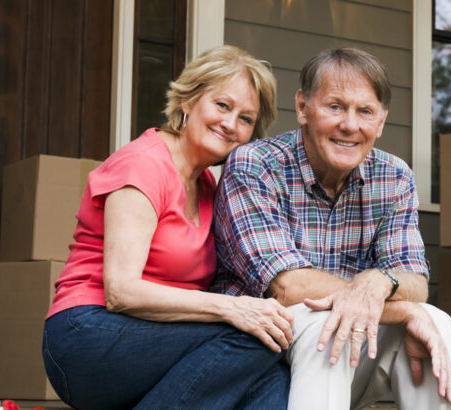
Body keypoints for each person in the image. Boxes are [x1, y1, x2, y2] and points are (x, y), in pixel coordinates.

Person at [214, 47, 451, 410]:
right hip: (256, 355)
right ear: (303, 107)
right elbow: (288, 287)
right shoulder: (254, 165)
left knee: (436, 323)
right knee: (333, 321)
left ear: (380, 122)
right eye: (335, 106)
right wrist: (405, 309)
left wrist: (380, 281)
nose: (350, 125)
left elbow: (414, 281)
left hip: (342, 361)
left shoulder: (394, 177)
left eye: (365, 111)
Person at [41, 45, 292, 410]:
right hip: (88, 334)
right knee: (257, 336)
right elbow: (121, 291)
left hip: (159, 339)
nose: (230, 124)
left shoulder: (208, 185)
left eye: (245, 118)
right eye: (222, 105)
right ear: (189, 100)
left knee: (270, 374)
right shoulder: (144, 165)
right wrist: (233, 309)